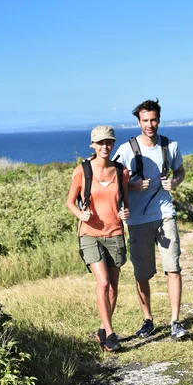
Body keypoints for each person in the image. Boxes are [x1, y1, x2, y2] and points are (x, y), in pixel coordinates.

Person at [114, 99, 190, 340]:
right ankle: (148, 319)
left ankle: (175, 322)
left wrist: (175, 182)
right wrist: (132, 185)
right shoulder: (126, 150)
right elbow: (111, 179)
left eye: (154, 120)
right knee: (141, 274)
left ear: (159, 119)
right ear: (138, 122)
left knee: (173, 268)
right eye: (145, 120)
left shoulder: (171, 146)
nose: (150, 125)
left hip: (165, 214)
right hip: (137, 220)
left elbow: (180, 172)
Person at [66, 125, 130, 352]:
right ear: (92, 145)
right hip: (89, 234)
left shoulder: (121, 171)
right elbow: (70, 202)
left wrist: (125, 212)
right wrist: (80, 214)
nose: (105, 146)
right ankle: (111, 334)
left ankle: (103, 329)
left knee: (113, 288)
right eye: (100, 142)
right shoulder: (82, 171)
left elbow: (124, 202)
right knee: (102, 283)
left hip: (115, 233)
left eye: (109, 142)